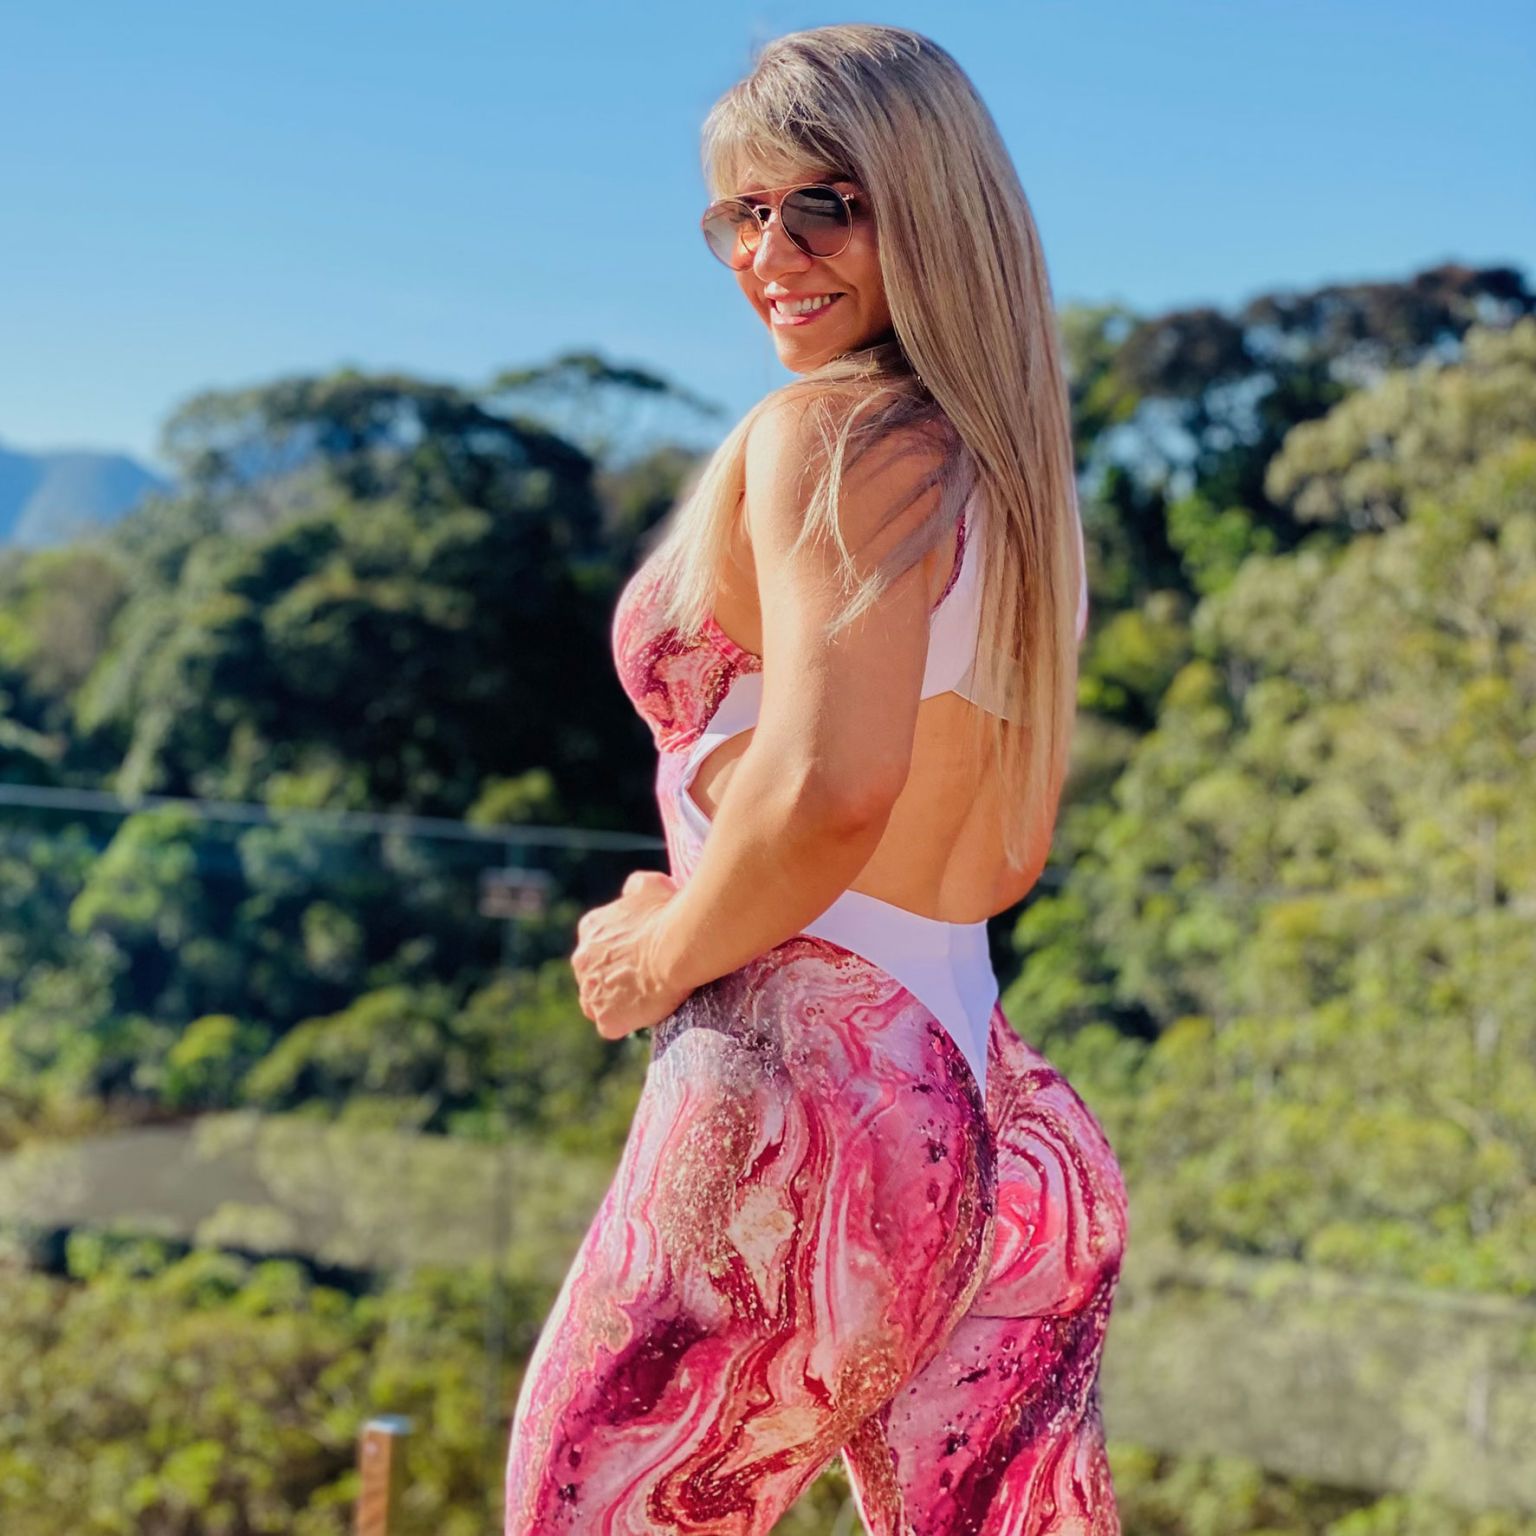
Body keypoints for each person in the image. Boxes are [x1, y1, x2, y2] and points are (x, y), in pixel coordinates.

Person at [504, 23, 1129, 1535]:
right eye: (741, 212)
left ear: (930, 207)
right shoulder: (1010, 481)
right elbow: (991, 849)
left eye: (823, 206)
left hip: (802, 1114)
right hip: (1002, 1117)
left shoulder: (831, 435)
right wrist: (708, 884)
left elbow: (830, 788)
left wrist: (662, 950)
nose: (768, 253)